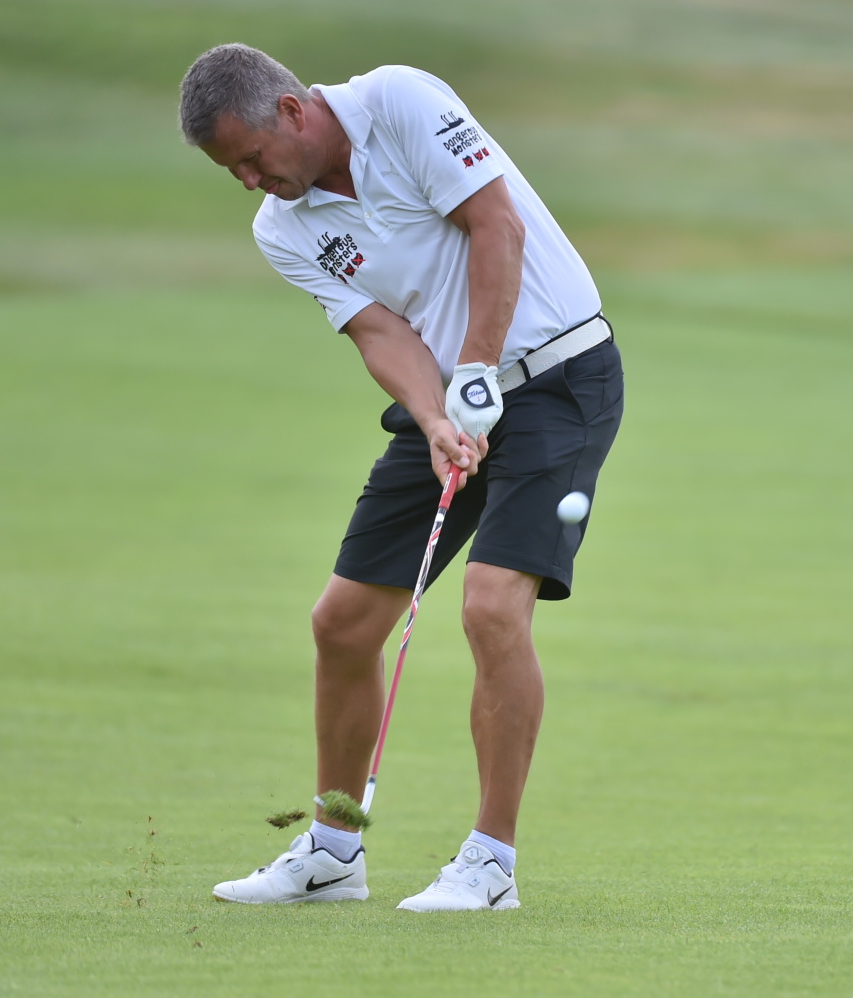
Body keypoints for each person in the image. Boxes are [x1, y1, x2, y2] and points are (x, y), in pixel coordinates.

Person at [178, 44, 623, 912]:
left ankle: (490, 864)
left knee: (491, 607)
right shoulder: (282, 228)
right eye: (232, 171)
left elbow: (496, 226)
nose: (250, 182)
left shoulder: (400, 102)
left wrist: (477, 372)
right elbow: (380, 333)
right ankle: (333, 852)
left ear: (292, 112)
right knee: (342, 623)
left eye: (252, 158)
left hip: (559, 378)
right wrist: (433, 418)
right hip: (454, 397)